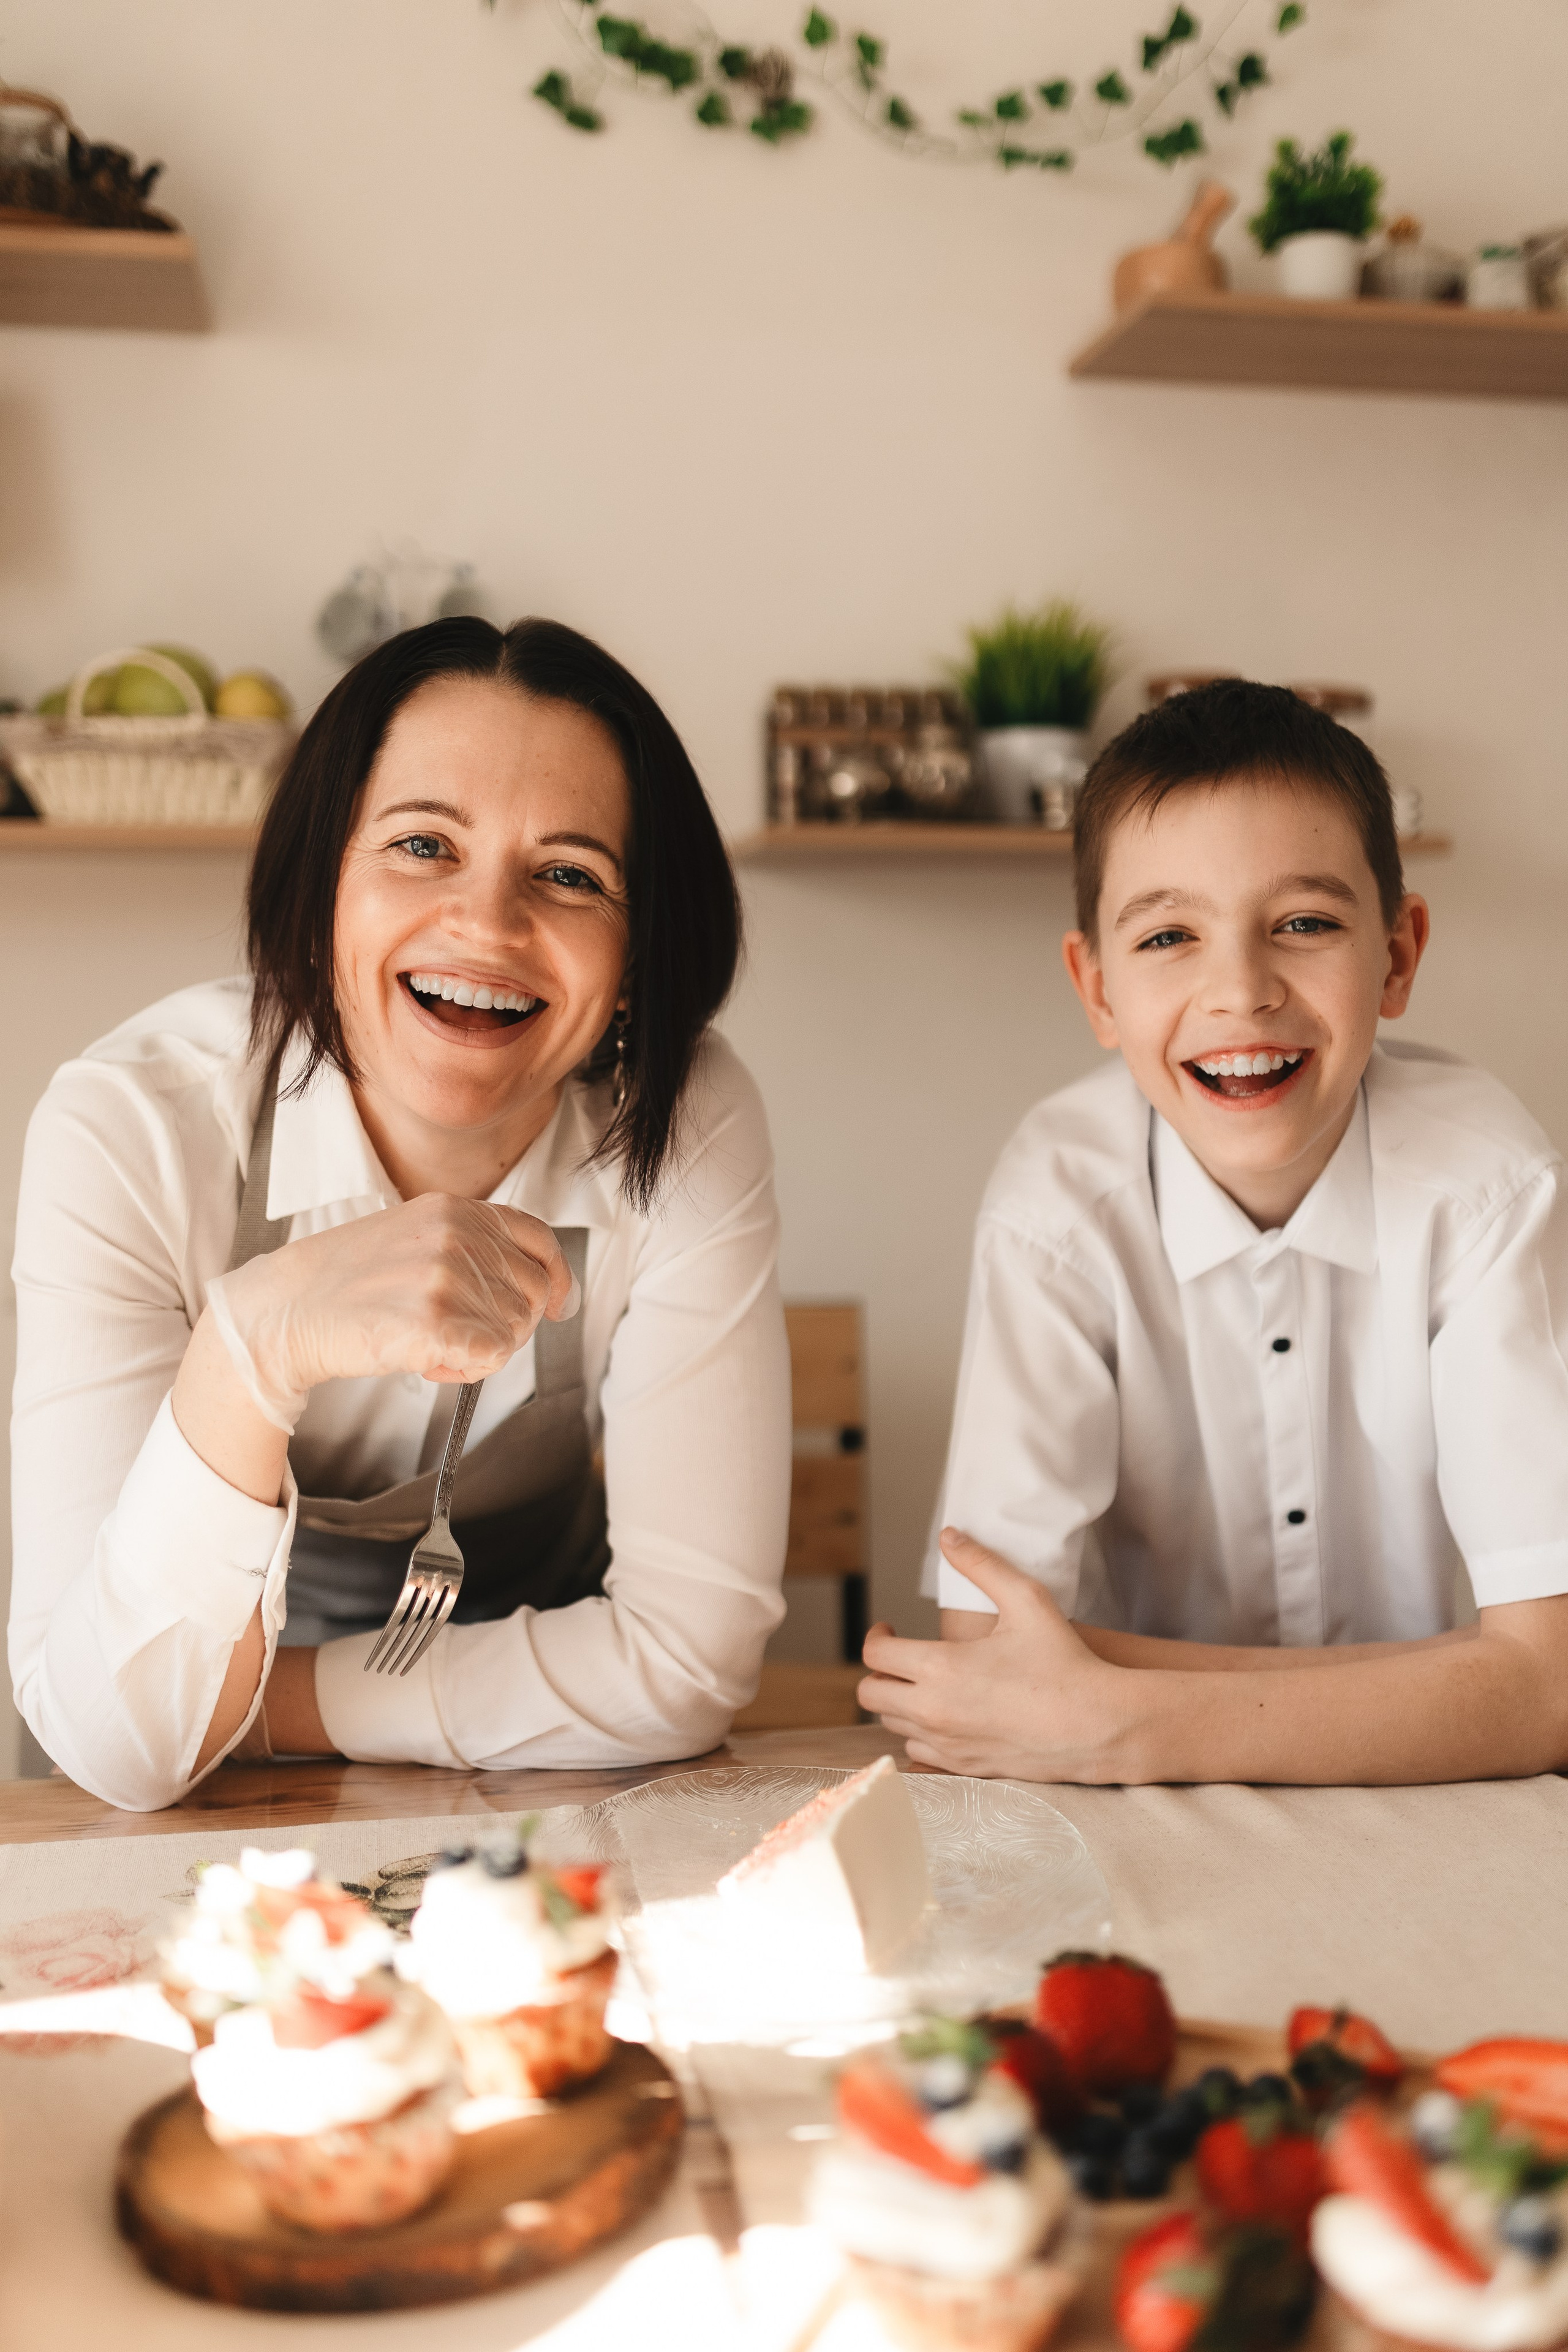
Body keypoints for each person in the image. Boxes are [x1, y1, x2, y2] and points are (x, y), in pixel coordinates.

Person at [10, 617, 791, 1811]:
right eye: (424, 845)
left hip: (545, 1776)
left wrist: (266, 1709)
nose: (488, 924)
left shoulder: (682, 1116)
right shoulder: (132, 1129)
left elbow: (683, 1660)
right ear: (324, 881)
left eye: (570, 874)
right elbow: (115, 1746)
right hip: (198, 1794)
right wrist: (252, 1347)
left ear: (635, 956)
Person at [861, 679, 1568, 1787]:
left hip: (1450, 1805)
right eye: (1170, 936)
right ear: (1095, 987)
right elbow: (996, 1653)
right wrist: (1465, 1682)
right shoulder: (1055, 1206)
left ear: (1397, 955)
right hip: (1163, 1821)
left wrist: (1126, 1718)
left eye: (1304, 924)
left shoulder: (1486, 1183)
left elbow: (1553, 1688)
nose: (1240, 991)